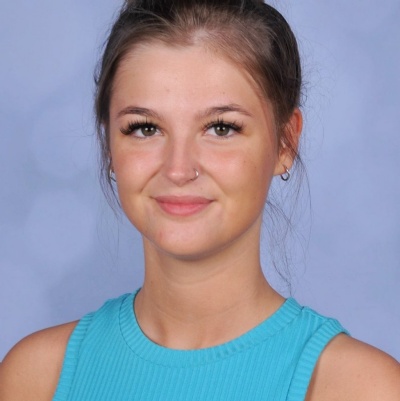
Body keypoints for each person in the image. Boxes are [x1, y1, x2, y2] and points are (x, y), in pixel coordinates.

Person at [1, 0, 399, 400]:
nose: (178, 169)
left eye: (221, 128)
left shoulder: (363, 388)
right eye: (145, 128)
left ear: (285, 142)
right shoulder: (35, 378)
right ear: (108, 145)